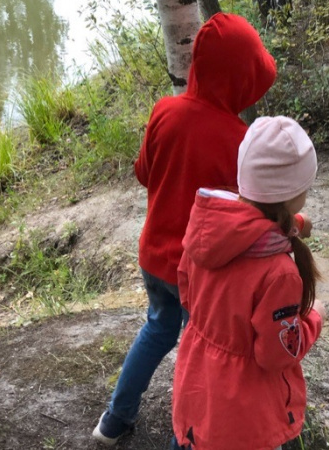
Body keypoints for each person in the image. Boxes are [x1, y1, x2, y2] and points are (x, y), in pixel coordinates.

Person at [92, 13, 281, 445]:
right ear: (241, 81)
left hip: (152, 257)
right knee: (201, 355)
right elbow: (246, 216)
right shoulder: (239, 141)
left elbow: (144, 173)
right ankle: (187, 438)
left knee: (157, 328)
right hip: (197, 273)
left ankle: (114, 420)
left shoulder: (165, 111)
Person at [170, 116, 325, 450]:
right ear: (293, 195)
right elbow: (277, 353)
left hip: (197, 385)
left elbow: (185, 286)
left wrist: (295, 223)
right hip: (244, 414)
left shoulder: (207, 230)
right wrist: (313, 319)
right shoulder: (279, 273)